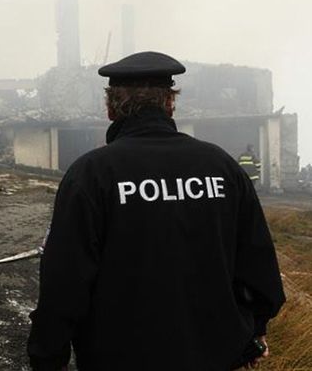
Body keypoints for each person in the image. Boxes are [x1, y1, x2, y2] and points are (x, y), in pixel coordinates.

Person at [27, 52, 285, 371]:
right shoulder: (222, 168)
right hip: (216, 357)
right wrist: (255, 331)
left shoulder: (91, 175)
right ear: (170, 104)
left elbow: (64, 284)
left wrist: (47, 358)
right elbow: (259, 266)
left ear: (110, 108)